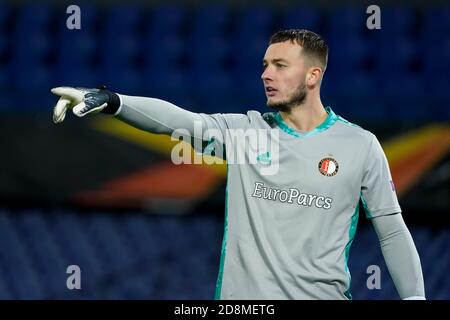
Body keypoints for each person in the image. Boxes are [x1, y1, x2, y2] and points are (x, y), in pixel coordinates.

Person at [51, 29, 425, 300]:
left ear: (313, 76)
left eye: (280, 65)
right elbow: (180, 121)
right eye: (265, 65)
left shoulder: (361, 146)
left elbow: (391, 230)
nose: (266, 74)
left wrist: (414, 299)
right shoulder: (246, 132)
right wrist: (115, 100)